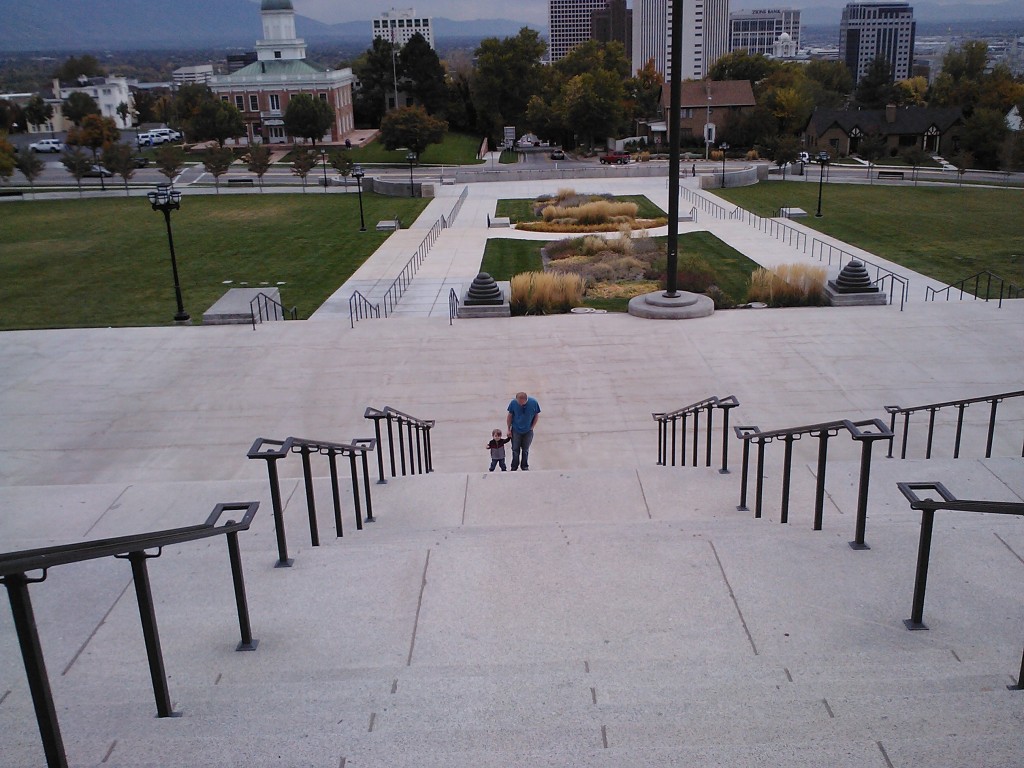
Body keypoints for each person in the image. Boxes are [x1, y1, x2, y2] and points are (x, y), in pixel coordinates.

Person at [506, 391, 541, 471]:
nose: (520, 404)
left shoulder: (534, 403)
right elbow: (510, 416)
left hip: (528, 431)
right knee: (515, 449)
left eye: (522, 403)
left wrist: (532, 427)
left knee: (525, 450)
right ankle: (514, 466)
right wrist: (508, 429)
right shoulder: (513, 403)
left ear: (526, 399)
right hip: (516, 430)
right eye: (519, 402)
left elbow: (536, 415)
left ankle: (524, 466)